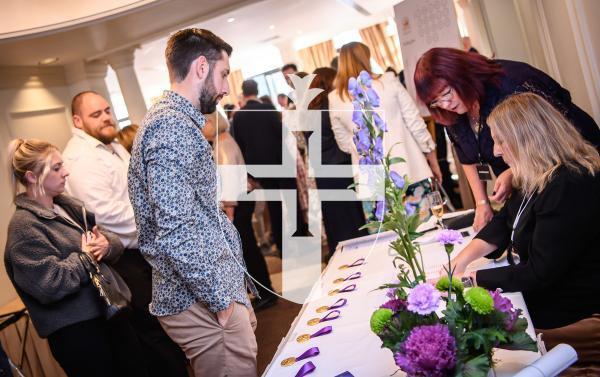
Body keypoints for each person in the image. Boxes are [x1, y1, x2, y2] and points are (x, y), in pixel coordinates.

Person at [128, 28, 259, 377]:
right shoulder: (170, 127)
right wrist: (221, 299)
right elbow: (176, 231)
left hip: (211, 288)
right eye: (224, 74)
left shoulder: (177, 123)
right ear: (201, 67)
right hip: (199, 299)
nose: (227, 87)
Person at [445, 93, 600, 373]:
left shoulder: (568, 185)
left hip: (573, 315)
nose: (495, 152)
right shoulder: (536, 174)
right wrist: (461, 261)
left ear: (527, 138)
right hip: (547, 299)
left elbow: (540, 272)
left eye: (500, 141)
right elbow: (505, 221)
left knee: (475, 348)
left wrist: (473, 280)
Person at [62, 91, 187, 377]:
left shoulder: (110, 145)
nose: (106, 117)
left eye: (107, 110)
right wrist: (156, 221)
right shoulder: (81, 158)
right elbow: (105, 214)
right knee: (155, 335)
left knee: (169, 328)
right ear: (77, 121)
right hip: (124, 260)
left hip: (143, 250)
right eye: (96, 114)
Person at [4, 139, 148, 377]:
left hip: (109, 313)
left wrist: (106, 244)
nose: (66, 172)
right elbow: (48, 285)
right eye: (57, 168)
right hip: (78, 332)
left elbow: (106, 237)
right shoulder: (24, 228)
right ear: (31, 176)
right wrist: (86, 258)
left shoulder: (67, 206)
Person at [414, 47, 600, 231]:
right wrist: (481, 203)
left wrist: (513, 171)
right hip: (531, 184)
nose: (446, 104)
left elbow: (553, 136)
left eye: (446, 93)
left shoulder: (512, 83)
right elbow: (468, 159)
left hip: (573, 170)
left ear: (460, 74)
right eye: (436, 101)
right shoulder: (451, 113)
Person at [328, 42, 442, 213]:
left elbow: (344, 144)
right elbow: (414, 122)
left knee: (387, 237)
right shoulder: (388, 80)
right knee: (425, 231)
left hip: (371, 182)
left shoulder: (335, 98)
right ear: (366, 58)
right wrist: (432, 158)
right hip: (409, 168)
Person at [202, 110, 277, 311]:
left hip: (238, 201)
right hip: (242, 198)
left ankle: (265, 292)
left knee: (247, 249)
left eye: (203, 124)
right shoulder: (224, 140)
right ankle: (263, 290)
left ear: (211, 123)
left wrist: (229, 210)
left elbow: (228, 181)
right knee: (248, 247)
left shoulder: (223, 144)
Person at [232, 79, 307, 255]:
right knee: (292, 203)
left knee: (274, 206)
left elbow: (240, 145)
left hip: (260, 168)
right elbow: (283, 134)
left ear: (244, 92)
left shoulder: (238, 116)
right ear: (257, 91)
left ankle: (282, 246)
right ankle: (301, 241)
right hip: (281, 162)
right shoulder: (268, 108)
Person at [310, 67, 368, 256]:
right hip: (340, 167)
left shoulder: (309, 108)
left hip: (322, 172)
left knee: (335, 219)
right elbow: (343, 138)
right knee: (352, 218)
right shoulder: (332, 105)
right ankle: (361, 254)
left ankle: (343, 257)